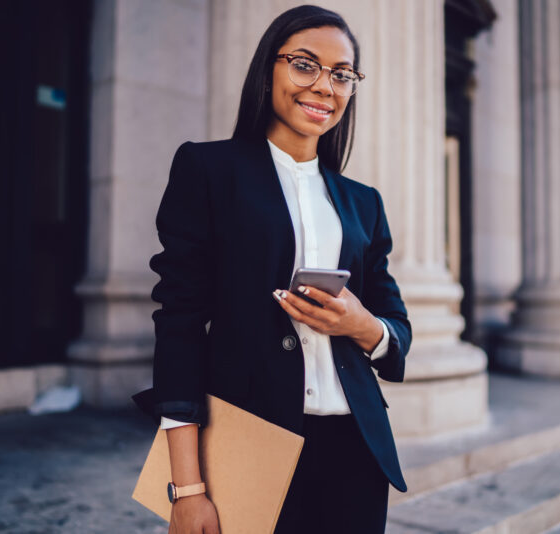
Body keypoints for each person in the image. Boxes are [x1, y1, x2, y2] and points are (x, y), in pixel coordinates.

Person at [132, 5, 411, 534]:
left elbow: (397, 328)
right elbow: (180, 325)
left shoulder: (363, 203)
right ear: (269, 68)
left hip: (355, 448)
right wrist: (186, 487)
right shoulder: (209, 170)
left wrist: (361, 325)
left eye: (342, 74)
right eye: (305, 64)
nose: (324, 86)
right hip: (248, 440)